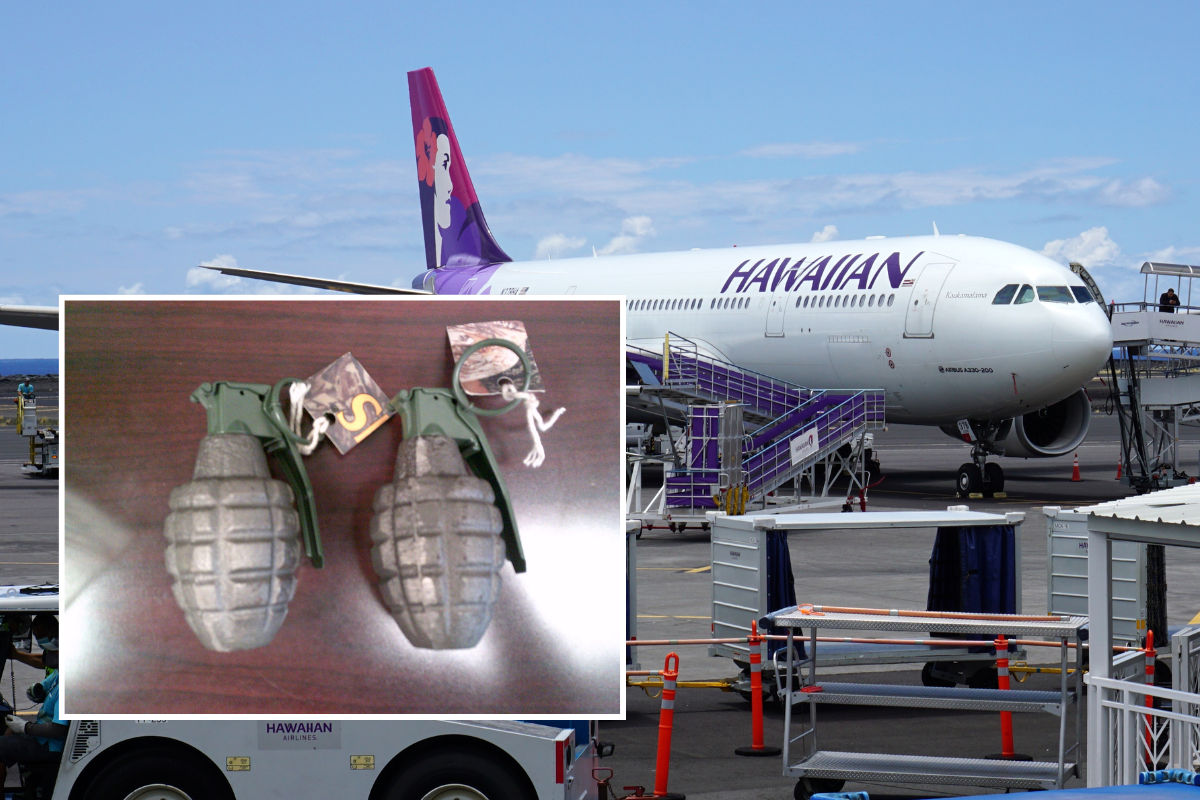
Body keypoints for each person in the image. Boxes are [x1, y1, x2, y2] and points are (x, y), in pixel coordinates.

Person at [0, 671, 64, 772]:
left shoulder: (66, 689)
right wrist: (37, 692)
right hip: (44, 738)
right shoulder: (58, 674)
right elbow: (43, 687)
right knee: (8, 731)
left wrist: (25, 727)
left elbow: (58, 729)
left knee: (1, 745)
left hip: (51, 745)